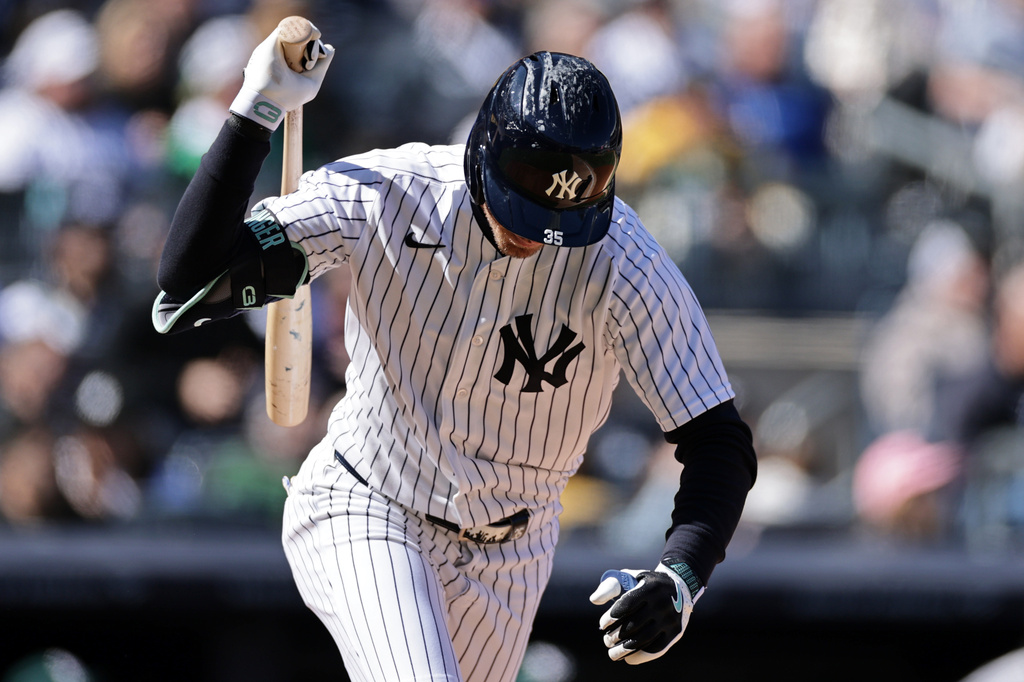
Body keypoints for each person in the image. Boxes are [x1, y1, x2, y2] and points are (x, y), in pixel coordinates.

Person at [152, 24, 757, 682]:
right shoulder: (389, 192)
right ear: (482, 155)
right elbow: (190, 276)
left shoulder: (625, 264)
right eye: (522, 207)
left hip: (513, 554)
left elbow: (718, 441)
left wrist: (680, 577)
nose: (537, 236)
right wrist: (257, 109)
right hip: (368, 503)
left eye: (560, 218)